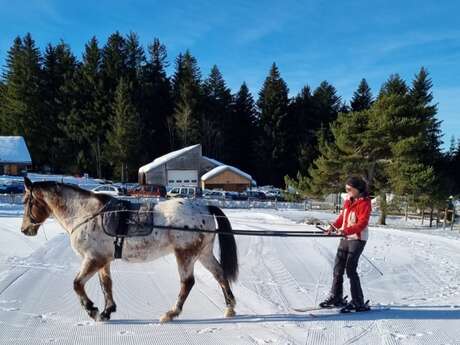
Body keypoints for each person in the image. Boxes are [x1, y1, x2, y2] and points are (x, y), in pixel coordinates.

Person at [319, 176, 372, 312]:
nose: (347, 191)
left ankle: (358, 301)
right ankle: (336, 297)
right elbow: (342, 217)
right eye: (346, 188)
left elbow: (362, 223)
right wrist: (333, 227)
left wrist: (346, 230)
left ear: (358, 189)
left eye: (350, 189)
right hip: (345, 237)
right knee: (338, 268)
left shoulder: (365, 203)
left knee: (350, 268)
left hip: (357, 239)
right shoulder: (349, 200)